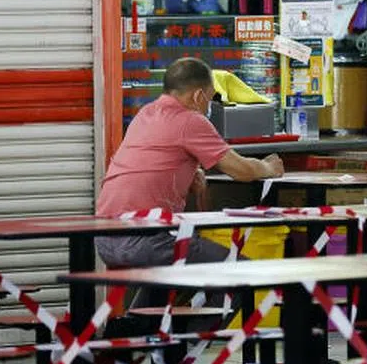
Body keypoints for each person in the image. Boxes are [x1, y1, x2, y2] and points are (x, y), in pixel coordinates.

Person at [96, 57, 284, 269]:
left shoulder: (145, 114)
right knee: (244, 270)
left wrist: (190, 172)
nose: (209, 106)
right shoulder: (190, 119)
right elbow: (241, 170)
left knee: (183, 268)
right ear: (198, 96)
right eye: (210, 99)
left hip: (104, 237)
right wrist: (269, 167)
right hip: (147, 238)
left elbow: (153, 160)